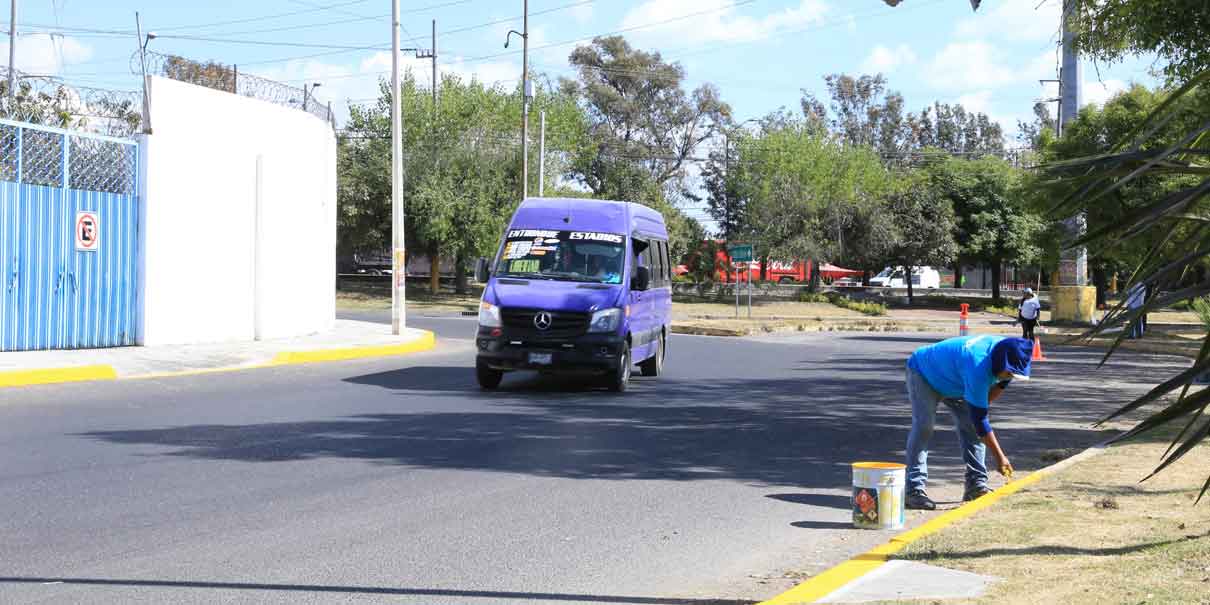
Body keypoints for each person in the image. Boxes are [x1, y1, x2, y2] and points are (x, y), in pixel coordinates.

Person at [904, 335, 1035, 510]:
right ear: (999, 362)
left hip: (958, 381)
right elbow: (981, 419)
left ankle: (976, 485)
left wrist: (976, 407)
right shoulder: (978, 365)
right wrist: (1000, 457)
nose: (1009, 376)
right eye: (1009, 373)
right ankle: (914, 491)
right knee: (924, 426)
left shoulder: (1011, 354)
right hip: (925, 374)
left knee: (972, 428)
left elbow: (993, 393)